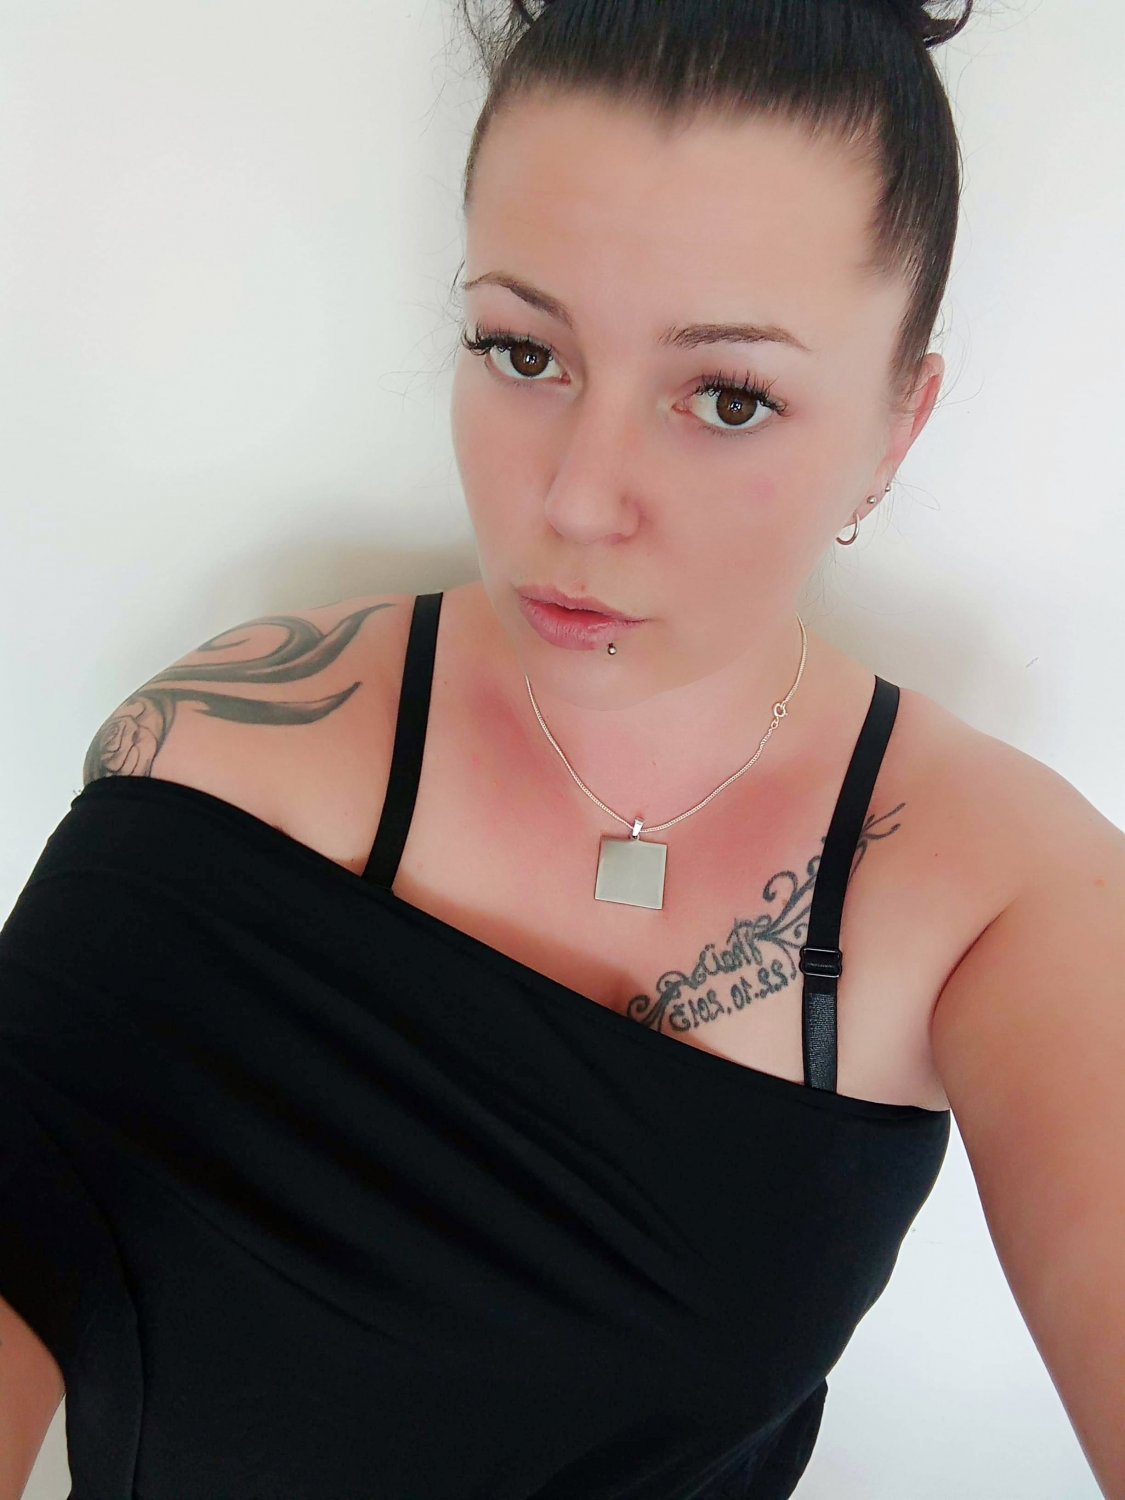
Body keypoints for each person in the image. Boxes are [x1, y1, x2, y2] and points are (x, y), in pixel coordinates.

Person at [1, 1, 1122, 1496]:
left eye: (729, 397)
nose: (579, 500)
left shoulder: (1000, 894)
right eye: (523, 352)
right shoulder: (219, 767)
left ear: (893, 428)